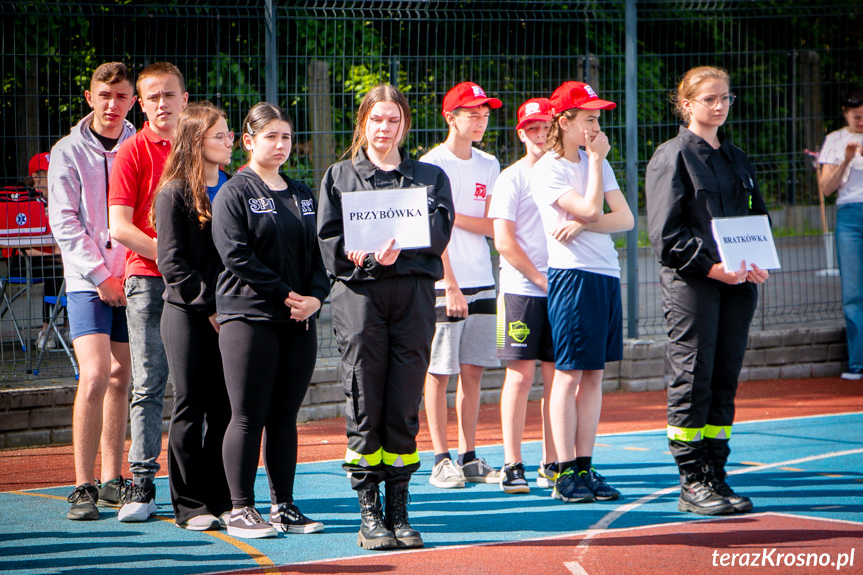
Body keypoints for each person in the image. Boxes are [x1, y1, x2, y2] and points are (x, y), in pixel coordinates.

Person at [318, 84, 454, 550]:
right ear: (363, 123)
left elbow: (437, 237)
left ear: (404, 124)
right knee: (364, 396)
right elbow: (328, 243)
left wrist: (401, 252)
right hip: (360, 300)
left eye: (393, 119)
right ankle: (369, 514)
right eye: (376, 119)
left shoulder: (430, 178)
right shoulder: (339, 176)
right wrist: (360, 256)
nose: (384, 128)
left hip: (414, 296)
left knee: (402, 402)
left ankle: (399, 510)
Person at [646, 66, 769, 516]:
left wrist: (759, 260)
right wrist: (712, 267)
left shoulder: (736, 157)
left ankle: (716, 471)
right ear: (687, 104)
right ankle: (691, 479)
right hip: (694, 285)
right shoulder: (672, 156)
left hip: (739, 284)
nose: (718, 107)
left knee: (723, 379)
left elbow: (757, 216)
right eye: (709, 100)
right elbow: (665, 235)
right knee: (693, 377)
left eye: (725, 99)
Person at [212, 102, 329, 539]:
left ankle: (284, 505)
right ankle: (240, 508)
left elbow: (320, 256)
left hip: (299, 320)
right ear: (248, 141)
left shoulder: (302, 194)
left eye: (286, 137)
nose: (280, 145)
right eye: (270, 137)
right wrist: (285, 295)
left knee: (284, 417)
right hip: (249, 317)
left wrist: (316, 297)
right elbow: (236, 256)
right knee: (247, 416)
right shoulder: (234, 192)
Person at [531, 81, 634, 504]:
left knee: (594, 375)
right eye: (588, 117)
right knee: (567, 373)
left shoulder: (598, 162)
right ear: (565, 121)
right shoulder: (551, 167)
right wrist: (594, 167)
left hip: (604, 273)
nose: (596, 124)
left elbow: (625, 219)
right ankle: (563, 471)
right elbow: (595, 208)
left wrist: (584, 222)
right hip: (572, 275)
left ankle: (585, 467)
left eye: (597, 116)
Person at [47, 61, 136, 520]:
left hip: (133, 277)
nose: (112, 104)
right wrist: (101, 275)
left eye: (121, 96)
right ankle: (82, 484)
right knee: (96, 374)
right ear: (89, 98)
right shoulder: (67, 151)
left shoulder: (139, 146)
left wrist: (129, 272)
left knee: (123, 377)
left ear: (132, 101)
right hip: (89, 281)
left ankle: (111, 480)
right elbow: (63, 221)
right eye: (105, 95)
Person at [108, 62, 188, 522]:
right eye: (153, 97)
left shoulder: (200, 148)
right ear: (141, 103)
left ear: (183, 98)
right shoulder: (132, 152)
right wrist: (173, 255)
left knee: (196, 386)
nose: (162, 104)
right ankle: (141, 483)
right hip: (149, 281)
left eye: (169, 95)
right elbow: (120, 228)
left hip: (199, 285)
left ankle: (193, 483)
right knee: (149, 384)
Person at [151, 102, 233, 531]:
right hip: (187, 314)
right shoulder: (174, 192)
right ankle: (188, 505)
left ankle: (222, 498)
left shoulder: (236, 187)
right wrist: (211, 306)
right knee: (191, 405)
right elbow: (172, 264)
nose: (229, 141)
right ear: (196, 141)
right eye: (220, 135)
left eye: (229, 134)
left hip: (232, 315)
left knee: (226, 409)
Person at [420, 81, 502, 489]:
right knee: (440, 372)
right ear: (450, 117)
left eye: (484, 113)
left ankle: (469, 456)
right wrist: (449, 282)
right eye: (472, 113)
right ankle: (440, 458)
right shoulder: (431, 164)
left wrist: (451, 216)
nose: (481, 120)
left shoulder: (489, 163)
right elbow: (433, 233)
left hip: (484, 282)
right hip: (445, 285)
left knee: (474, 372)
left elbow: (493, 225)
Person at [488, 98, 558, 493]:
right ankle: (512, 463)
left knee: (556, 376)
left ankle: (552, 461)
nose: (541, 133)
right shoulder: (511, 178)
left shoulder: (566, 174)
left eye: (547, 126)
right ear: (521, 133)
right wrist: (540, 279)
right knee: (520, 375)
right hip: (520, 290)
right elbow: (504, 241)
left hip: (559, 286)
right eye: (533, 127)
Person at [818, 88, 863, 381]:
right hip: (850, 218)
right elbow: (825, 188)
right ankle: (857, 362)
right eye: (856, 116)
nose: (861, 121)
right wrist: (846, 160)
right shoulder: (834, 141)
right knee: (853, 292)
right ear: (846, 113)